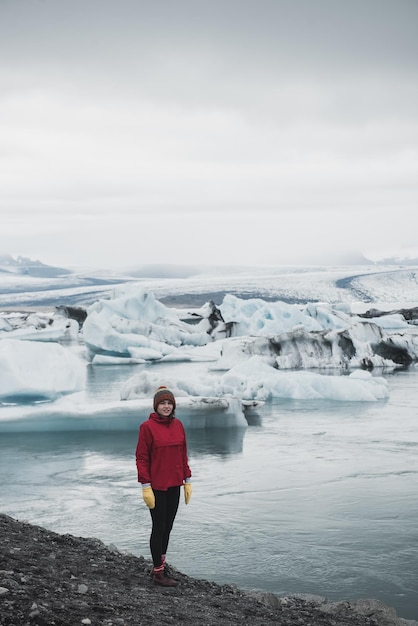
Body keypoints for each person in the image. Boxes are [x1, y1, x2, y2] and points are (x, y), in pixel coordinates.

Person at [135, 385, 192, 587]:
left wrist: (188, 480)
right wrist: (145, 486)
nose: (166, 406)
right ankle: (158, 573)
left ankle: (160, 563)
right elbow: (141, 458)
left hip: (175, 483)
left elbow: (183, 454)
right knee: (158, 527)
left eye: (169, 403)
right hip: (157, 486)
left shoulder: (178, 425)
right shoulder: (147, 428)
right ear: (156, 406)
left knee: (168, 527)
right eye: (162, 403)